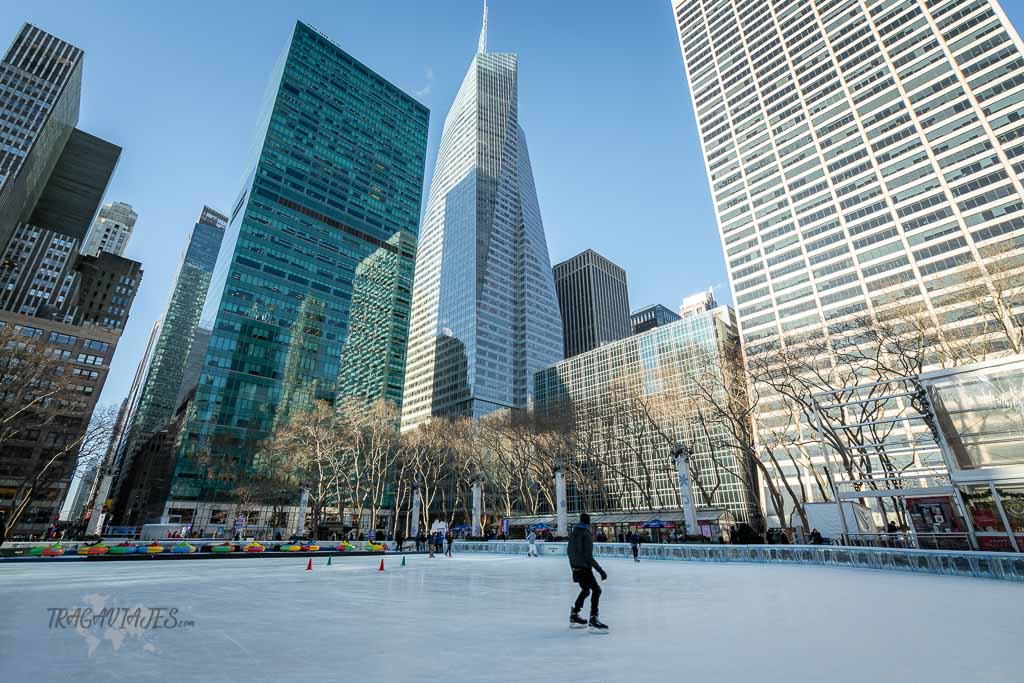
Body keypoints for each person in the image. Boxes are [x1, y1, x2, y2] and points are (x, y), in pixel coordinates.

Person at [567, 513, 608, 633]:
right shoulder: (586, 534)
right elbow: (588, 557)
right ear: (588, 522)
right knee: (597, 590)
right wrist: (600, 571)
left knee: (585, 590)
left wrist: (573, 568)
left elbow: (569, 552)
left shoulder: (573, 534)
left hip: (575, 567)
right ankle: (593, 619)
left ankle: (574, 614)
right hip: (584, 568)